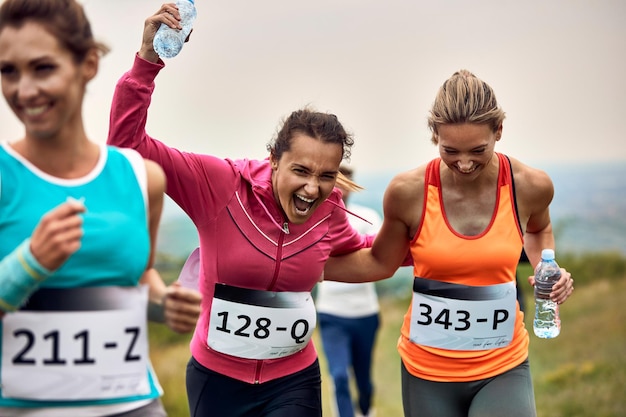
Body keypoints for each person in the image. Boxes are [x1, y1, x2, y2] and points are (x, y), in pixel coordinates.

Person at [106, 5, 374, 417]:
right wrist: (147, 62)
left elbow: (365, 251)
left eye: (326, 176)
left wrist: (431, 236)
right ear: (273, 159)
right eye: (300, 171)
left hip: (294, 381)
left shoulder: (329, 210)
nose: (312, 188)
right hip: (217, 380)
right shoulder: (220, 185)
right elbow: (128, 148)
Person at [324, 69, 575, 417]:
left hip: (502, 363)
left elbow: (538, 229)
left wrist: (546, 266)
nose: (465, 162)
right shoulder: (408, 192)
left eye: (478, 150)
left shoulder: (529, 185)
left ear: (499, 131)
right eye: (451, 150)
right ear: (434, 136)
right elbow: (380, 262)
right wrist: (300, 267)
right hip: (428, 370)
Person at [0, 0, 200, 415]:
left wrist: (167, 305)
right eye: (8, 71)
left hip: (134, 404)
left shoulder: (142, 177)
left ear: (88, 64)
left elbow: (138, 279)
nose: (24, 90)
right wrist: (29, 264)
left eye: (43, 68)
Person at [315, 165, 381, 417]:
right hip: (331, 313)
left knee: (364, 380)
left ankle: (366, 411)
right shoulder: (314, 220)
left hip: (366, 313)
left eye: (347, 181)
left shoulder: (368, 217)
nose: (341, 187)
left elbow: (377, 257)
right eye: (336, 180)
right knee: (339, 376)